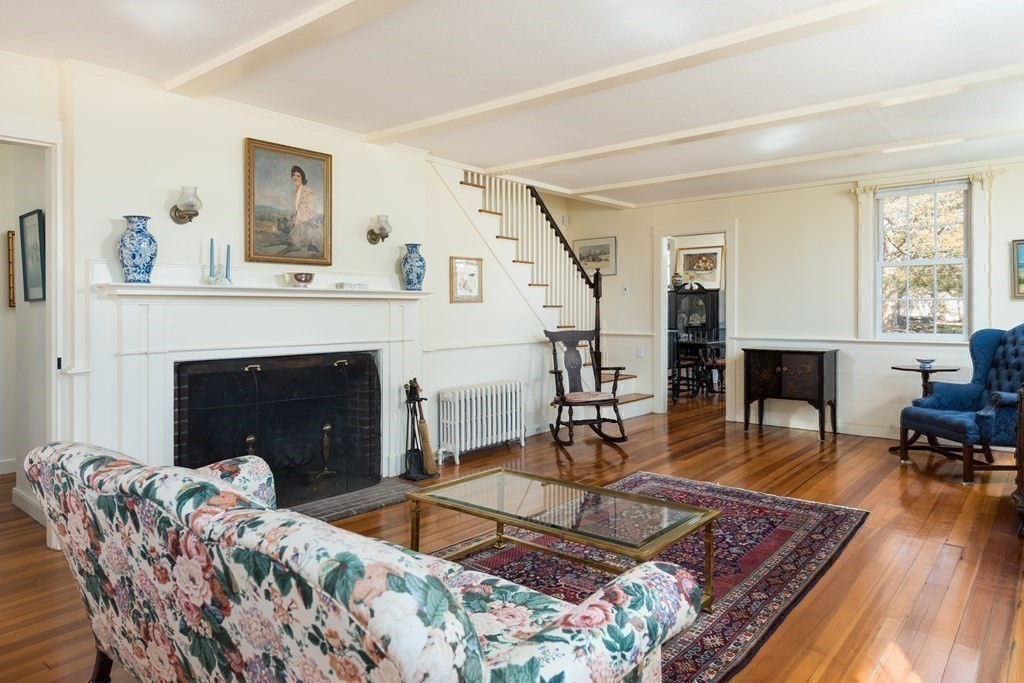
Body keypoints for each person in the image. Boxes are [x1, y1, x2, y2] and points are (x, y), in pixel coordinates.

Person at [282, 165, 321, 255]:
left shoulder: (309, 191)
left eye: (298, 176)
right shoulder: (293, 194)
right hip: (296, 224)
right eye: (294, 175)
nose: (295, 177)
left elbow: (311, 212)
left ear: (302, 178)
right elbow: (294, 212)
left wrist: (300, 220)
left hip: (306, 225)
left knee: (293, 244)